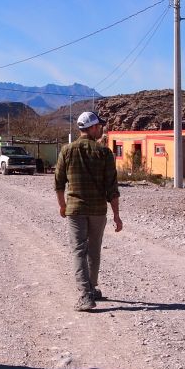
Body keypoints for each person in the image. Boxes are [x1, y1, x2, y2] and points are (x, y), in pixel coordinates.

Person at [55, 111, 122, 311]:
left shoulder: (67, 151)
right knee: (94, 250)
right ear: (92, 128)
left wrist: (62, 205)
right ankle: (91, 288)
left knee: (78, 250)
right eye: (99, 126)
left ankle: (85, 295)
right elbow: (112, 188)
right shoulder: (104, 153)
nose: (101, 128)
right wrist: (116, 215)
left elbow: (59, 183)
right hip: (98, 210)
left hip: (75, 210)